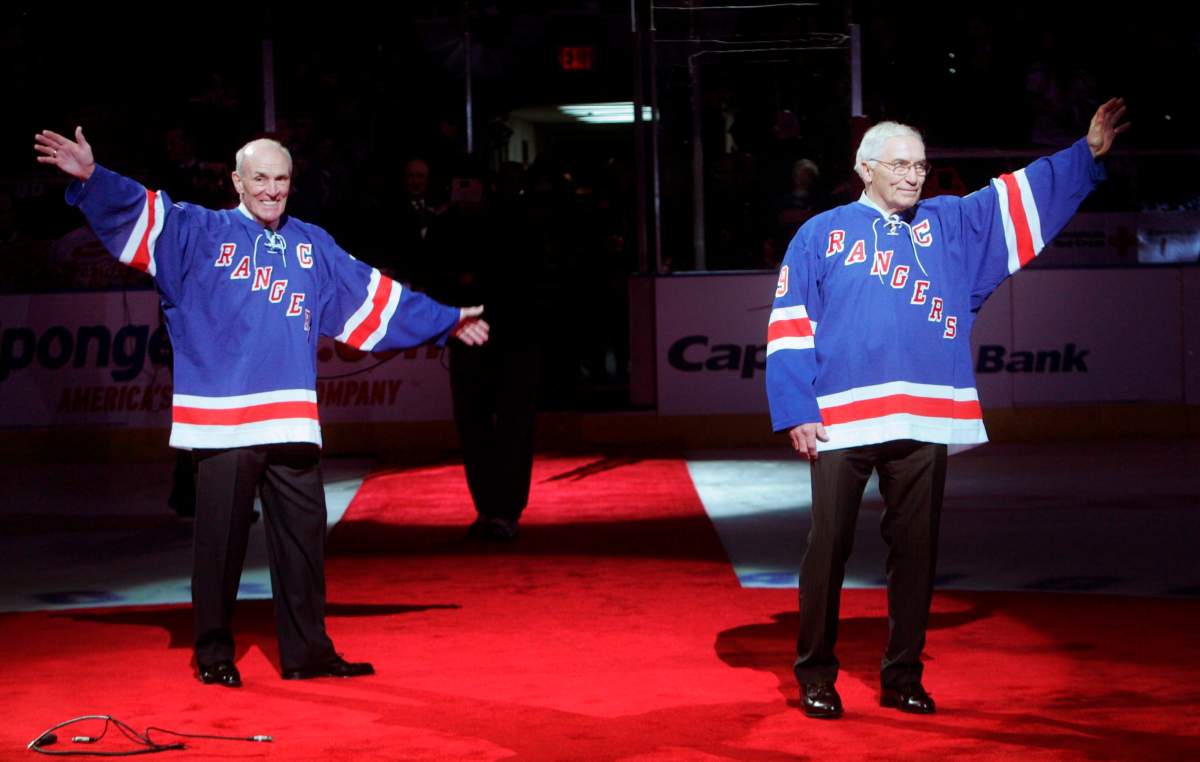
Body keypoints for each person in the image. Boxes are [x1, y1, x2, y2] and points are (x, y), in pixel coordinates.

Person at [34, 127, 489, 688]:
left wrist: (446, 320)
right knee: (219, 547)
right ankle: (214, 652)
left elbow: (375, 297)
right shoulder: (198, 231)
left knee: (303, 540)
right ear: (237, 181)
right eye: (261, 179)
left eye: (281, 180)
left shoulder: (312, 243)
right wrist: (92, 177)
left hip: (291, 419)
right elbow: (139, 212)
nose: (272, 190)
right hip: (222, 422)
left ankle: (308, 653)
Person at [765, 99, 1128, 719]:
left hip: (924, 415)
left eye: (921, 165)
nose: (913, 176)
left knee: (918, 552)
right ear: (866, 168)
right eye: (900, 164)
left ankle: (903, 673)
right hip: (840, 418)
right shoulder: (819, 233)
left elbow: (1021, 194)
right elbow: (790, 326)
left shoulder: (952, 224)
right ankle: (815, 673)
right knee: (827, 549)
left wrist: (1084, 154)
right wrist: (797, 408)